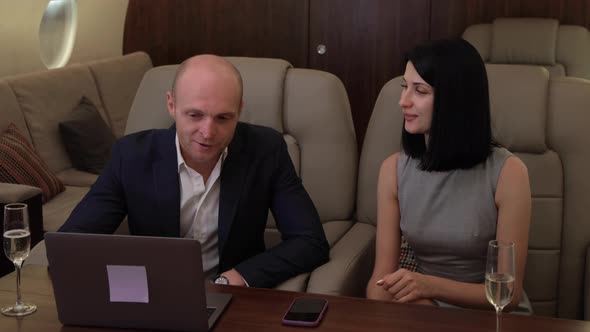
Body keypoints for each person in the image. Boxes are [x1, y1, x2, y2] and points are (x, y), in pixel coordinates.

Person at [59, 54, 329, 288]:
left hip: (233, 297)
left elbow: (310, 242)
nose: (208, 133)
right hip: (153, 296)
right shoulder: (130, 156)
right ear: (171, 105)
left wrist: (236, 278)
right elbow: (71, 244)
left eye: (223, 118)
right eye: (195, 115)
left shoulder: (267, 150)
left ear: (239, 111)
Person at [366, 39, 532, 310]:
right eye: (404, 87)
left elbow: (508, 293)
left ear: (455, 100)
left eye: (419, 91)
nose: (403, 101)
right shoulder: (392, 170)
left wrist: (429, 286)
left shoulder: (509, 172)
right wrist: (423, 302)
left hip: (491, 314)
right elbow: (380, 281)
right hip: (421, 308)